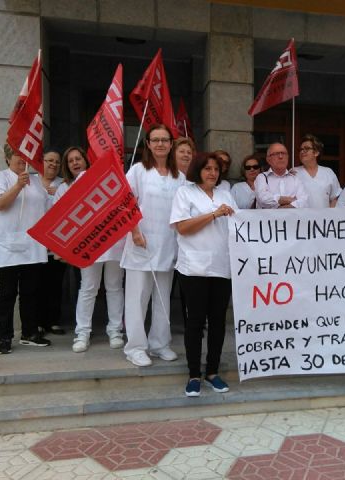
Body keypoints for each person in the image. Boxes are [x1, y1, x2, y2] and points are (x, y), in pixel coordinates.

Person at [170, 152, 237, 397]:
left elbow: (239, 228)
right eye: (208, 168)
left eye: (216, 169)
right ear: (198, 170)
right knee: (195, 323)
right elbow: (183, 227)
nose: (212, 173)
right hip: (194, 268)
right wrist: (213, 215)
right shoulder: (184, 193)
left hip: (222, 268)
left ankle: (212, 372)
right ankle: (193, 375)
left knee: (218, 323)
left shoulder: (226, 195)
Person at [122, 124, 186, 367]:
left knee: (162, 299)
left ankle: (160, 343)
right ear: (147, 144)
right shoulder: (138, 171)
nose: (160, 144)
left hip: (168, 244)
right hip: (141, 243)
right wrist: (134, 232)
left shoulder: (179, 176)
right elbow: (125, 203)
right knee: (138, 298)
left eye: (165, 140)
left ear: (171, 144)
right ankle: (136, 347)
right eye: (155, 140)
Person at [54, 146, 126, 353]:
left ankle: (115, 331)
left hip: (112, 242)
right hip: (87, 245)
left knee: (114, 287)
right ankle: (82, 332)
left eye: (78, 159)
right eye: (70, 160)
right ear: (67, 166)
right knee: (88, 288)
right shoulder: (63, 188)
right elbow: (59, 218)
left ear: (86, 160)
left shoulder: (102, 180)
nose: (75, 162)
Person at [0, 143, 51, 354]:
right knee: (7, 293)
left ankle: (30, 333)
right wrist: (17, 186)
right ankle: (5, 337)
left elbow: (47, 208)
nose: (21, 159)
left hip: (33, 247)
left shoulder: (35, 180)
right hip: (9, 248)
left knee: (31, 292)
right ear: (8, 158)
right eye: (17, 155)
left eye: (25, 155)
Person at [38, 149, 66, 335]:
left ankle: (53, 321)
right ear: (42, 162)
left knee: (56, 284)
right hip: (36, 244)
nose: (53, 164)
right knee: (37, 286)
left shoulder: (63, 184)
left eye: (56, 162)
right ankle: (38, 322)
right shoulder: (31, 182)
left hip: (57, 244)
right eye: (49, 160)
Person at [254, 143, 308, 209]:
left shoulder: (295, 179)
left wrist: (281, 206)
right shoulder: (262, 177)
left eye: (283, 153)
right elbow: (262, 199)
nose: (280, 157)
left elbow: (304, 202)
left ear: (288, 157)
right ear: (268, 159)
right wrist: (289, 200)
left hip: (291, 219)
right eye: (276, 154)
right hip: (268, 219)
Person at [293, 134, 341, 208]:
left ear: (316, 152)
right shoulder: (294, 172)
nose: (302, 151)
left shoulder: (328, 172)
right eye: (301, 149)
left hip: (324, 218)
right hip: (302, 219)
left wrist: (331, 215)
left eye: (306, 148)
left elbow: (335, 198)